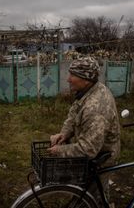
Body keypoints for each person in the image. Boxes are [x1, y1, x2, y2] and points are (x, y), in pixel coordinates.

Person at [47, 56, 120, 205]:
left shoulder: (96, 107)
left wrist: (59, 151)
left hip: (102, 158)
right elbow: (74, 114)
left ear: (86, 79)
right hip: (90, 154)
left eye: (73, 75)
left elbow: (88, 150)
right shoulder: (87, 91)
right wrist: (64, 133)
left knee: (94, 197)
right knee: (85, 192)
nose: (68, 79)